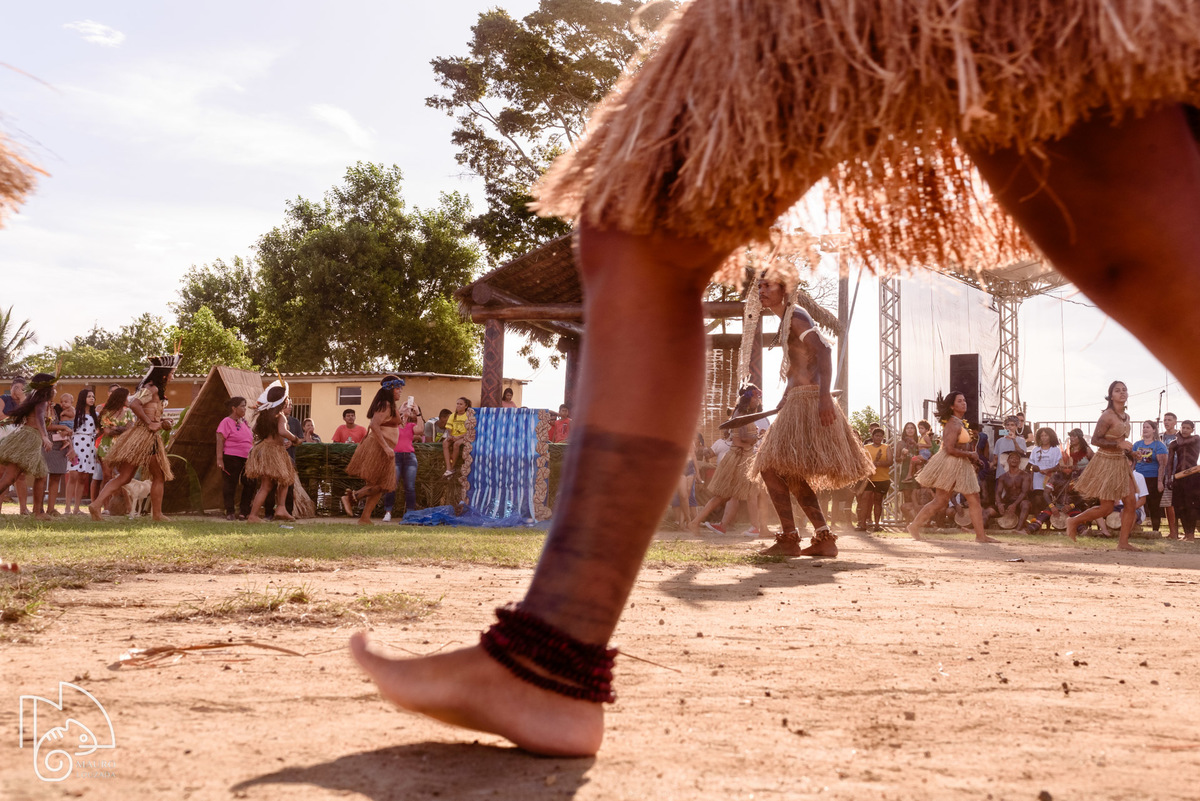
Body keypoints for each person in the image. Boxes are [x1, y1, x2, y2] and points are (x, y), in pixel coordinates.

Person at [348, 1, 1200, 757]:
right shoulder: (787, 328)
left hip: (806, 398)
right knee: (1120, 231)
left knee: (640, 225)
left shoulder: (803, 334)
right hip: (792, 397)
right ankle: (554, 653)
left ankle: (552, 657)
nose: (768, 289)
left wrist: (818, 399)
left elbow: (820, 368)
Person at [753, 277, 873, 557]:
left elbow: (824, 349)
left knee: (769, 467)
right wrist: (785, 394)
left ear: (785, 290)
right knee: (788, 472)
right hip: (799, 399)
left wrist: (823, 398)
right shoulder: (787, 321)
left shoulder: (795, 315)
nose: (762, 291)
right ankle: (822, 538)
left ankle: (791, 538)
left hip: (810, 400)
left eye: (768, 285)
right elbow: (800, 363)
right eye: (759, 286)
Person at [90, 356, 179, 522]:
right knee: (158, 476)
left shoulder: (155, 390)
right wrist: (150, 423)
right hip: (145, 437)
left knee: (125, 477)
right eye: (172, 372)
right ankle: (157, 515)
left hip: (141, 436)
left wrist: (161, 422)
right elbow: (134, 404)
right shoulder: (151, 388)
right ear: (165, 374)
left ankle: (96, 505)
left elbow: (145, 409)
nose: (174, 376)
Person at [907, 392, 999, 543]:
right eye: (960, 401)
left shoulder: (960, 423)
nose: (964, 403)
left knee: (965, 499)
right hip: (951, 463)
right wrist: (970, 454)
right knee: (942, 501)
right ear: (952, 406)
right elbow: (948, 449)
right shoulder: (953, 424)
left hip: (961, 463)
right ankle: (914, 525)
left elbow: (959, 446)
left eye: (964, 400)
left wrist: (973, 458)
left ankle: (980, 536)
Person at [1065, 382, 1139, 550]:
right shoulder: (1107, 415)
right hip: (1106, 462)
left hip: (1120, 461)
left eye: (1124, 390)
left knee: (1130, 503)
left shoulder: (1126, 416)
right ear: (1111, 396)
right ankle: (1074, 521)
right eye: (1117, 390)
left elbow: (1121, 442)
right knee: (1106, 508)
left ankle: (1123, 543)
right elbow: (1095, 440)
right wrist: (1118, 445)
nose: (1122, 393)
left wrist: (1132, 453)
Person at [687, 386, 762, 536]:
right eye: (756, 398)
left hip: (742, 456)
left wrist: (755, 437)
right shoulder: (740, 414)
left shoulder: (745, 413)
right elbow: (742, 438)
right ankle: (756, 527)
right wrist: (758, 437)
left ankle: (708, 524)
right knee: (733, 494)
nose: (758, 401)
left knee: (734, 495)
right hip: (739, 458)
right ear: (749, 398)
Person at [343, 376, 404, 524]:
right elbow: (375, 425)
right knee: (383, 484)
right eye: (397, 388)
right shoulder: (385, 404)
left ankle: (364, 518)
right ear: (390, 389)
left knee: (381, 484)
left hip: (384, 447)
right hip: (380, 447)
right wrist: (386, 447)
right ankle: (352, 497)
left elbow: (389, 424)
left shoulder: (389, 405)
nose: (400, 391)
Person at [0, 373, 57, 520]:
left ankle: (38, 512)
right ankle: (38, 512)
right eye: (53, 386)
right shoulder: (41, 400)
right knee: (9, 478)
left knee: (40, 475)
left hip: (29, 438)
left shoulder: (34, 397)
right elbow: (39, 418)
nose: (55, 389)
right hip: (29, 438)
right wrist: (45, 436)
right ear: (47, 387)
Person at [245, 382, 301, 522]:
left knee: (269, 484)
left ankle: (260, 513)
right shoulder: (279, 416)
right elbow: (282, 431)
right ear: (282, 400)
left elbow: (254, 429)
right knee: (285, 479)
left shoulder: (264, 415)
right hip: (274, 451)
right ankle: (276, 509)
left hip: (264, 448)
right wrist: (295, 439)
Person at [382, 399, 423, 523]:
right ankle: (388, 512)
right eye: (404, 408)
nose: (407, 410)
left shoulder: (411, 426)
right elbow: (384, 425)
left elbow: (420, 430)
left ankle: (410, 513)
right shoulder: (393, 425)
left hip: (409, 457)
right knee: (392, 485)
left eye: (409, 409)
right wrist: (399, 411)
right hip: (395, 456)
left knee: (410, 487)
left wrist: (418, 413)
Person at [215, 396, 255, 521]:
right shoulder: (226, 421)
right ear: (234, 408)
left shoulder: (244, 422)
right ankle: (230, 511)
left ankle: (244, 511)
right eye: (242, 406)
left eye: (245, 405)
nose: (244, 408)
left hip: (246, 458)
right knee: (229, 484)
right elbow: (220, 440)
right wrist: (219, 459)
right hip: (231, 457)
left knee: (250, 483)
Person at [65, 388, 99, 515]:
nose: (92, 398)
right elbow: (68, 431)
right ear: (83, 397)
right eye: (89, 396)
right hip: (77, 445)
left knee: (83, 477)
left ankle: (76, 508)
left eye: (93, 397)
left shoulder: (95, 414)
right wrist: (71, 448)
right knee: (73, 475)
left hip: (89, 446)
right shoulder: (75, 413)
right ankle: (67, 507)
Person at [1131, 420, 1168, 534]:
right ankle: (1132, 526)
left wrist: (1160, 482)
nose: (1145, 429)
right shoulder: (1137, 444)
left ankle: (1155, 530)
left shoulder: (1159, 445)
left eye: (1148, 427)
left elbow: (1162, 465)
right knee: (1135, 501)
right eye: (1144, 427)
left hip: (1153, 477)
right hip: (1139, 478)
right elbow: (1132, 462)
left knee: (1153, 504)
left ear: (1154, 429)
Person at [0, 376, 30, 515]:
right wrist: (15, 416)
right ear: (11, 387)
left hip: (20, 438)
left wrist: (22, 399)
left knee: (21, 474)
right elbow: (0, 416)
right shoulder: (4, 399)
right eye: (15, 388)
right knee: (3, 473)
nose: (17, 391)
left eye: (21, 389)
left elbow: (28, 417)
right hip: (4, 436)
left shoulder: (26, 402)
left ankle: (23, 508)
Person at [1166, 420, 1200, 540]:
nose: (1185, 430)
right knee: (1180, 506)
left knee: (1192, 506)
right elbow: (1169, 463)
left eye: (1188, 428)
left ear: (1192, 430)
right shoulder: (1174, 444)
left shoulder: (1196, 439)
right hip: (1179, 476)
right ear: (1180, 428)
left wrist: (1178, 435)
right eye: (1183, 428)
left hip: (1193, 476)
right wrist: (1169, 477)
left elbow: (1182, 441)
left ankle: (1191, 534)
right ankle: (1186, 533)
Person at [857, 426, 893, 532]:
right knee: (865, 499)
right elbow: (862, 461)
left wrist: (879, 463)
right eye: (876, 435)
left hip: (882, 479)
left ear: (883, 437)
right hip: (869, 479)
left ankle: (877, 525)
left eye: (881, 436)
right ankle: (862, 524)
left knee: (878, 501)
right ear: (872, 436)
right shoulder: (866, 447)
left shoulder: (886, 447)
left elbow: (890, 462)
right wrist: (872, 464)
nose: (878, 438)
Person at [96, 386, 133, 490]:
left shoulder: (128, 413)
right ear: (121, 398)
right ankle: (106, 504)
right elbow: (107, 432)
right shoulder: (106, 412)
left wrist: (116, 427)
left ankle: (118, 503)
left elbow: (130, 429)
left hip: (123, 448)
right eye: (127, 397)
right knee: (107, 476)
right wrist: (122, 428)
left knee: (122, 477)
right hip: (106, 447)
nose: (129, 400)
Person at [986, 451, 1032, 530]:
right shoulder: (1002, 477)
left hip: (1020, 503)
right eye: (1012, 458)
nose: (1014, 460)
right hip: (1007, 502)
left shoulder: (1025, 476)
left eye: (1016, 458)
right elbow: (998, 493)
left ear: (1019, 461)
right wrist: (999, 504)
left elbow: (1024, 492)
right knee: (987, 511)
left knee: (1026, 504)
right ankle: (981, 529)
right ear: (1007, 461)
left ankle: (1018, 529)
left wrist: (1015, 504)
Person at [1026, 427, 1063, 523]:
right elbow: (1031, 466)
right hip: (1037, 480)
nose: (1043, 438)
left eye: (1046, 435)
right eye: (1041, 435)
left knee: (1049, 500)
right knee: (1037, 500)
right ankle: (1037, 522)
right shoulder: (1035, 449)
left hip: (1051, 480)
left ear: (1051, 436)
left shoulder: (1056, 450)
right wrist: (1036, 472)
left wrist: (1049, 470)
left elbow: (1059, 466)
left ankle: (1049, 523)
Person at [43, 402, 73, 515]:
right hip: (44, 443)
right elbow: (45, 425)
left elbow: (65, 424)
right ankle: (38, 508)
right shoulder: (40, 406)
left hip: (59, 444)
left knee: (56, 476)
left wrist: (69, 440)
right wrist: (63, 427)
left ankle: (51, 508)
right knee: (42, 476)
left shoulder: (57, 408)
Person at [441, 397, 471, 477]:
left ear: (466, 406)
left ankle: (452, 467)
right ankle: (448, 468)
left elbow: (469, 431)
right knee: (445, 443)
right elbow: (449, 427)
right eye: (457, 404)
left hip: (464, 436)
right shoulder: (452, 415)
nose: (458, 406)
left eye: (461, 404)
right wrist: (450, 436)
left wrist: (459, 437)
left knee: (456, 444)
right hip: (454, 436)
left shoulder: (468, 416)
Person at [1161, 412, 1180, 537]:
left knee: (1180, 503)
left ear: (1175, 422)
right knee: (1167, 503)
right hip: (1165, 473)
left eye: (1169, 419)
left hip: (1179, 472)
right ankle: (1173, 531)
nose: (1166, 422)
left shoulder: (1181, 436)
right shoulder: (1160, 437)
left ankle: (1185, 530)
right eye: (1165, 420)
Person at [992, 416, 1027, 483]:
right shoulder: (999, 441)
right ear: (1004, 427)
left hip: (1016, 476)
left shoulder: (1021, 440)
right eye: (1007, 425)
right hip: (1000, 475)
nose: (1009, 427)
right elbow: (995, 458)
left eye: (1012, 425)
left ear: (1016, 426)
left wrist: (1014, 439)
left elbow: (1022, 453)